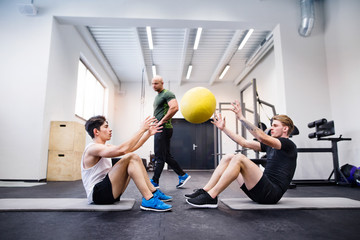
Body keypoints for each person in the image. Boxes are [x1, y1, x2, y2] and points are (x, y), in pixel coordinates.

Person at [185, 100, 297, 208]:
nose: (271, 128)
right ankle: (205, 191)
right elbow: (243, 142)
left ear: (285, 129)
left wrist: (241, 118)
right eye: (272, 125)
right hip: (258, 191)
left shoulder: (288, 145)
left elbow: (262, 137)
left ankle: (212, 196)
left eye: (275, 126)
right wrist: (224, 128)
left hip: (271, 194)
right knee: (229, 157)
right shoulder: (271, 145)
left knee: (239, 158)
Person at [81, 115, 172, 212]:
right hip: (98, 195)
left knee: (134, 157)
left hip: (107, 192)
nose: (110, 130)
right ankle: (148, 199)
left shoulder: (105, 147)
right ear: (96, 131)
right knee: (131, 157)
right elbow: (123, 150)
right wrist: (141, 130)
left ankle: (153, 192)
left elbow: (131, 148)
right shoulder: (92, 148)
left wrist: (148, 134)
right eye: (106, 127)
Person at [150, 75, 191, 188]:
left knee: (159, 156)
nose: (154, 86)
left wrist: (161, 121)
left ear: (162, 83)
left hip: (163, 128)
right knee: (166, 156)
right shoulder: (158, 96)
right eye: (152, 83)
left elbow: (174, 107)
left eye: (156, 83)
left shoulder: (167, 94)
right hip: (161, 128)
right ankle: (182, 175)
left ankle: (155, 181)